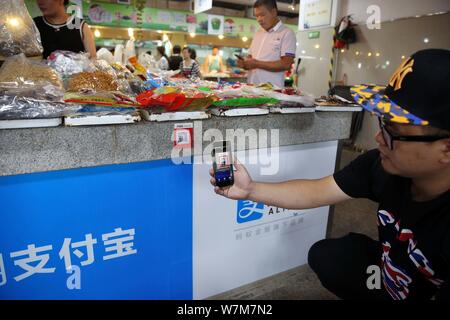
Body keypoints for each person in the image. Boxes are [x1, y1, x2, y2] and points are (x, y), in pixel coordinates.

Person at [210, 49, 450, 300]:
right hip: (391, 275)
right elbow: (319, 190)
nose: (379, 137)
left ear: (446, 149)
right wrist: (251, 189)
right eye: (382, 123)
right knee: (330, 256)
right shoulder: (382, 166)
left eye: (393, 130)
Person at [238, 0, 296, 88]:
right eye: (257, 16)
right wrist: (245, 64)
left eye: (262, 15)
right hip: (251, 88)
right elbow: (251, 59)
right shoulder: (258, 33)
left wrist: (257, 64)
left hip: (272, 91)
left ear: (273, 12)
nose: (259, 20)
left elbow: (286, 64)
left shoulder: (287, 33)